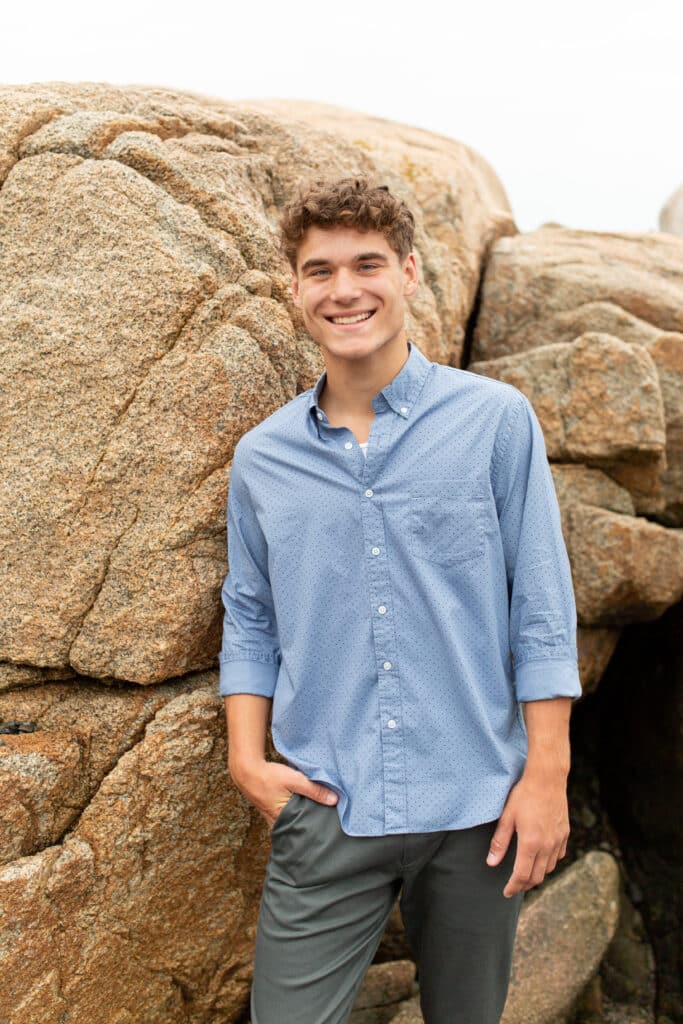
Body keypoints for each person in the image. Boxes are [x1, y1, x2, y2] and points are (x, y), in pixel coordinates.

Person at [219, 176, 582, 1024]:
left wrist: (546, 777)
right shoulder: (261, 458)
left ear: (410, 273)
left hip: (478, 810)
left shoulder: (495, 421)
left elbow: (540, 604)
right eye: (319, 271)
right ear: (296, 290)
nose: (344, 290)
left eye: (366, 264)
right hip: (327, 806)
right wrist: (247, 759)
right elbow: (251, 614)